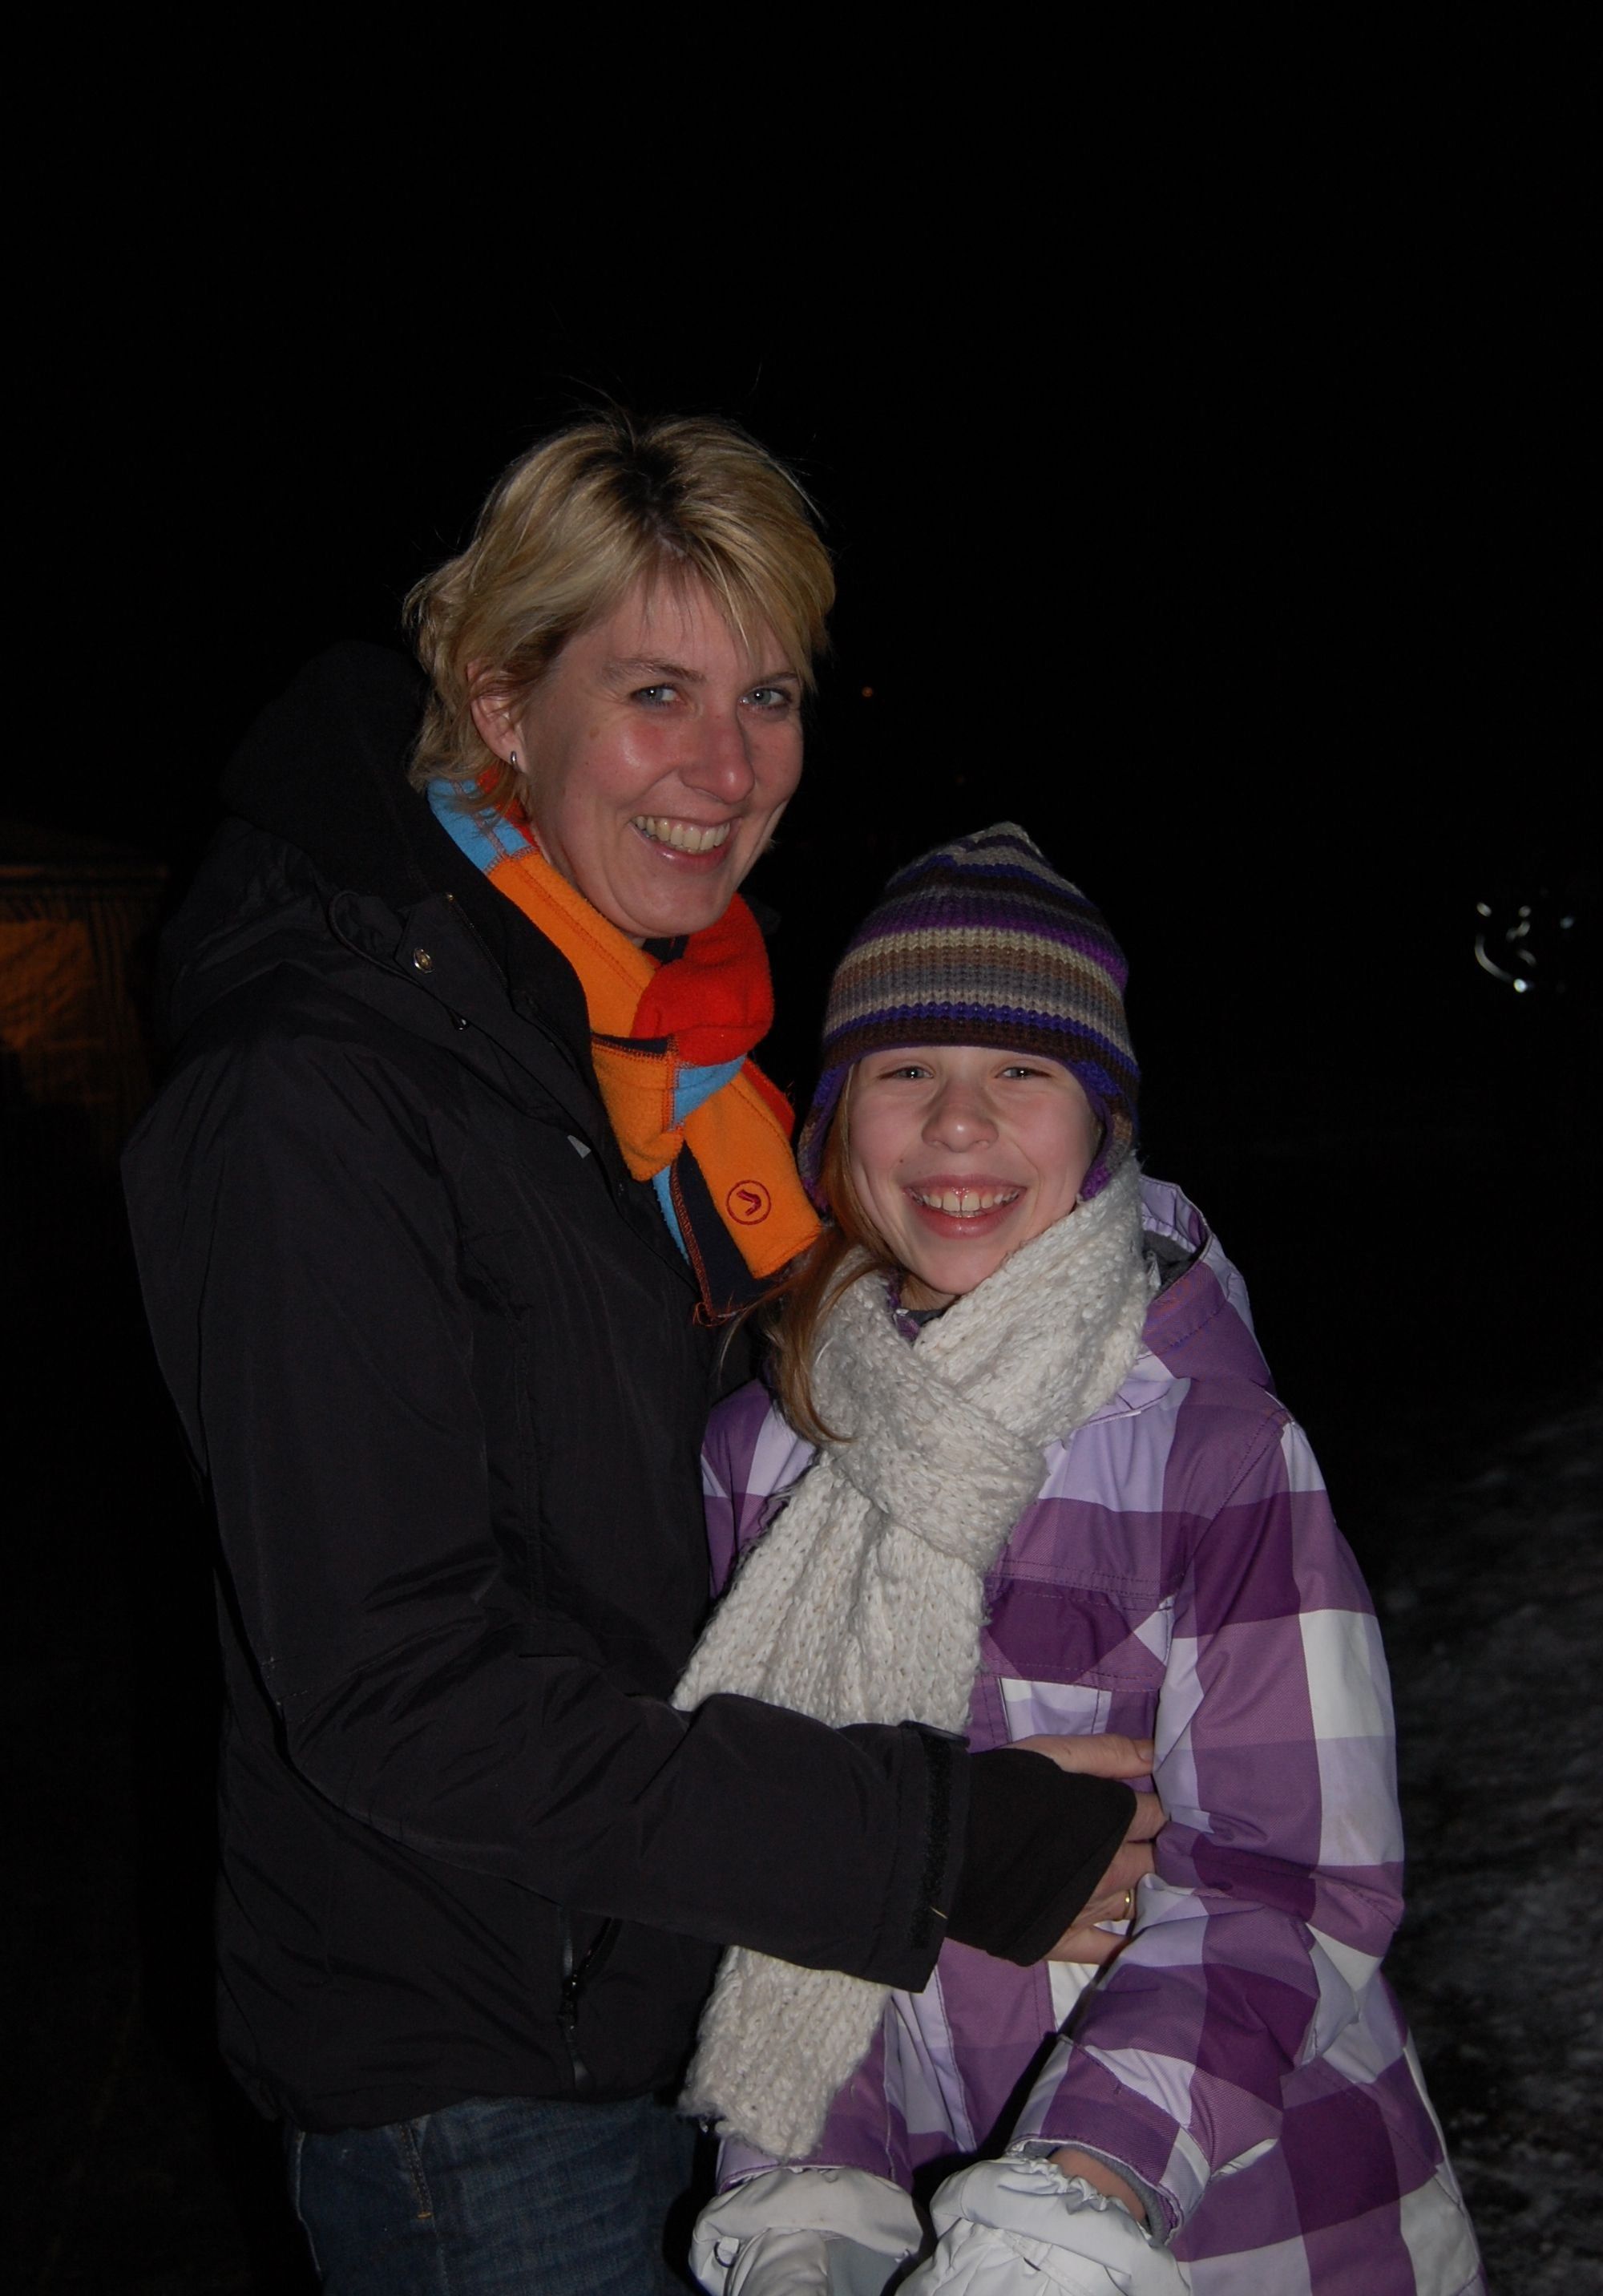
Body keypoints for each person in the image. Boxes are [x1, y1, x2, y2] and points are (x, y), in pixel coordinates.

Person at [121, 421, 1157, 2296]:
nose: (728, 767)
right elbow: (393, 1686)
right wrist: (930, 1843)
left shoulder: (657, 1072)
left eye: (767, 695)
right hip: (490, 2083)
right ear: (501, 704)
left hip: (701, 2003)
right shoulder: (320, 1097)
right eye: (654, 691)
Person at [684, 824, 1484, 2294]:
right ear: (834, 1128)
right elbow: (782, 1858)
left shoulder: (1214, 1450)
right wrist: (803, 2190)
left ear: (1103, 1127)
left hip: (1249, 2212)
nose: (960, 1124)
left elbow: (1289, 1878)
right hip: (912, 2189)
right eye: (906, 1069)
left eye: (1023, 1071)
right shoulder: (766, 1454)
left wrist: (1078, 2192)